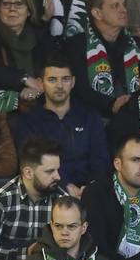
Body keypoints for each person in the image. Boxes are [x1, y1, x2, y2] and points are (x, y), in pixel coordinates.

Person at [10, 59, 109, 198]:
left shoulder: (90, 116)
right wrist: (65, 186)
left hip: (92, 192)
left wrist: (91, 187)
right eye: (52, 80)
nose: (60, 85)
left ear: (73, 82)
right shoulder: (29, 122)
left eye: (65, 79)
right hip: (49, 192)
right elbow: (32, 164)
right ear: (41, 83)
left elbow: (101, 159)